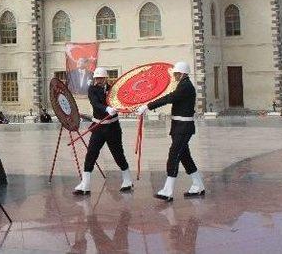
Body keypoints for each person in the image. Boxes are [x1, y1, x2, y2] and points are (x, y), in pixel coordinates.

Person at [136, 61, 205, 201]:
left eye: (176, 74)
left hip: (183, 128)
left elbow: (170, 98)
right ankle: (198, 185)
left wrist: (148, 106)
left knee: (174, 155)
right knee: (185, 157)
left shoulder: (185, 86)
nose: (174, 76)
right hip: (179, 127)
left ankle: (167, 191)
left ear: (183, 73)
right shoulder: (183, 84)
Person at [73, 67, 133, 195]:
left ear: (106, 78)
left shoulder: (113, 89)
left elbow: (122, 99)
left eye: (101, 78)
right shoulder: (92, 90)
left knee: (118, 154)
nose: (98, 80)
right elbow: (95, 104)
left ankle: (127, 180)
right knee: (91, 154)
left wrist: (123, 107)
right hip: (98, 127)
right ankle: (85, 184)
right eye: (96, 78)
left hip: (113, 128)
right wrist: (107, 109)